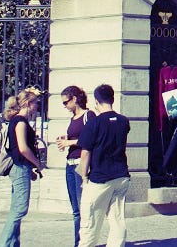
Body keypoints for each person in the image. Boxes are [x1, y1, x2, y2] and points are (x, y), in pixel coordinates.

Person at [78, 84, 131, 247]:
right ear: (112, 99)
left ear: (96, 101)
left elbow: (85, 153)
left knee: (90, 223)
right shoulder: (124, 121)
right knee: (117, 220)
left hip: (100, 178)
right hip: (121, 175)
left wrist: (84, 175)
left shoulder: (94, 124)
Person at [0, 89, 45, 247]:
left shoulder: (16, 121)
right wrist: (37, 164)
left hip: (21, 168)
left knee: (16, 208)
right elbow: (23, 149)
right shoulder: (20, 122)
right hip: (20, 168)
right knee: (20, 209)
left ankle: (12, 244)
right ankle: (4, 244)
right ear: (29, 104)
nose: (37, 107)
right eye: (35, 103)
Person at [55, 86, 91, 246]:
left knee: (82, 207)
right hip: (69, 164)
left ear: (75, 99)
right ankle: (78, 242)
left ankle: (84, 242)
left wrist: (69, 141)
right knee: (75, 208)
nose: (65, 106)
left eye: (66, 102)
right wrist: (66, 138)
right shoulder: (74, 117)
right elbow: (77, 136)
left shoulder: (88, 115)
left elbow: (91, 138)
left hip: (80, 164)